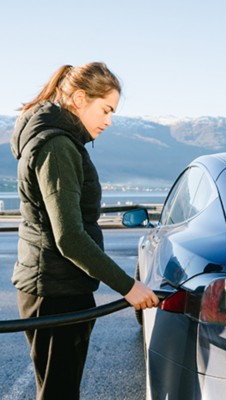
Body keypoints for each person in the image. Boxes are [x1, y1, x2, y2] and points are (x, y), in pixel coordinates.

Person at [10, 62, 159, 400]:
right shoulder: (58, 147)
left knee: (55, 390)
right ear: (79, 98)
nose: (108, 120)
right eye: (105, 109)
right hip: (56, 292)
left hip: (54, 286)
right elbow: (70, 237)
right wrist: (128, 286)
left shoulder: (55, 140)